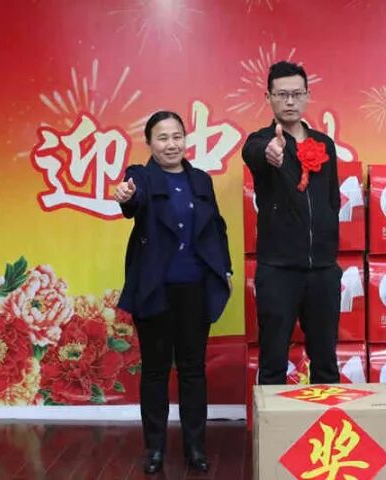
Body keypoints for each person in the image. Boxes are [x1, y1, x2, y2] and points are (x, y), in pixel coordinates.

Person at [114, 111, 232, 475]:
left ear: (185, 139)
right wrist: (125, 196)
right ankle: (154, 449)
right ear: (150, 143)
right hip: (155, 289)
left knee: (193, 370)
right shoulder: (141, 177)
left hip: (194, 288)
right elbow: (131, 202)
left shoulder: (200, 180)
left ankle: (195, 447)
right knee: (155, 371)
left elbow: (216, 228)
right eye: (162, 138)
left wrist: (225, 268)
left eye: (177, 136)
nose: (171, 144)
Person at [242, 61, 342, 386]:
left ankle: (328, 419)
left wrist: (328, 249)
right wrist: (271, 152)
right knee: (273, 362)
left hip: (322, 270)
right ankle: (271, 421)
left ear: (307, 95)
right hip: (278, 270)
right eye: (282, 94)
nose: (289, 101)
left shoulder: (324, 144)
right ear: (268, 97)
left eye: (297, 94)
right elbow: (254, 153)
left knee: (325, 361)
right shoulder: (261, 140)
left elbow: (332, 199)